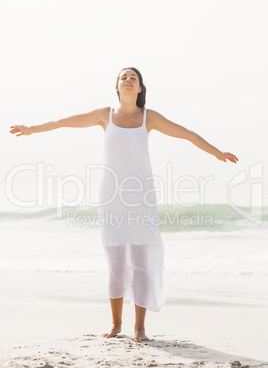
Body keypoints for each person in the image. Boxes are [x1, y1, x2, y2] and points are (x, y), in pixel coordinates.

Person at [10, 66, 239, 341]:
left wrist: (217, 153)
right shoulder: (104, 115)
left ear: (140, 88)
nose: (128, 80)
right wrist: (31, 129)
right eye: (124, 77)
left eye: (134, 78)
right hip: (111, 198)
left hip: (141, 197)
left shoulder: (149, 118)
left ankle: (139, 328)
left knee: (141, 262)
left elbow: (187, 133)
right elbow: (63, 121)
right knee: (116, 263)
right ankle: (116, 324)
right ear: (117, 87)